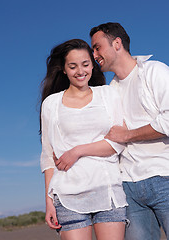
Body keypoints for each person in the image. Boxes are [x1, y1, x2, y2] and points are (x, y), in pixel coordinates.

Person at [40, 38, 128, 240]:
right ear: (63, 69)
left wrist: (77, 151)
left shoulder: (108, 94)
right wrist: (48, 201)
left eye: (85, 64)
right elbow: (47, 156)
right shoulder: (51, 104)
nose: (80, 71)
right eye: (73, 66)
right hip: (67, 195)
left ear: (92, 64)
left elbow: (117, 143)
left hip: (108, 192)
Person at [89, 22, 169, 240]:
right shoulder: (109, 92)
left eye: (97, 47)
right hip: (128, 187)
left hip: (164, 176)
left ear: (117, 43)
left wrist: (128, 135)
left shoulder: (155, 71)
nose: (94, 54)